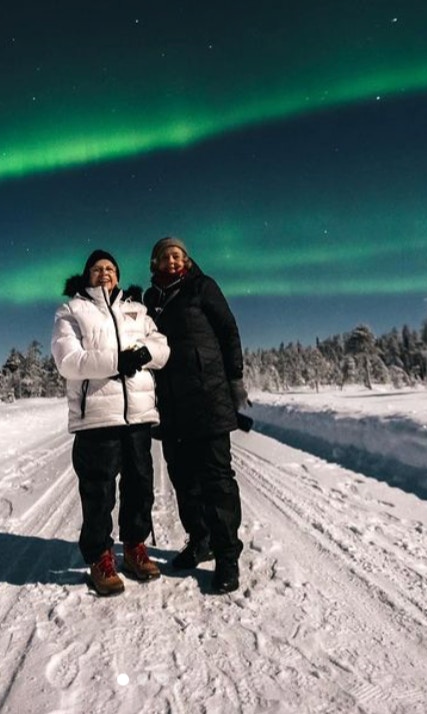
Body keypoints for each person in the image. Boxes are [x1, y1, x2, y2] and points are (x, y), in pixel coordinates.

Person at [51, 249, 170, 596]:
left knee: (139, 485)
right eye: (97, 269)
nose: (104, 273)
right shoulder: (71, 311)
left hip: (138, 414)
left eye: (110, 268)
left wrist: (146, 353)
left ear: (118, 275)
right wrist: (120, 360)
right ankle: (100, 556)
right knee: (98, 492)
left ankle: (134, 547)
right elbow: (69, 361)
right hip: (97, 418)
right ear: (87, 275)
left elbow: (162, 347)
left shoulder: (137, 309)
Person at [142, 236, 249, 594]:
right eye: (165, 256)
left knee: (216, 478)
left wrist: (234, 380)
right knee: (183, 477)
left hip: (208, 397)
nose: (172, 261)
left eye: (178, 255)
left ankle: (227, 555)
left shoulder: (203, 287)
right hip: (171, 404)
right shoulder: (151, 300)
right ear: (155, 263)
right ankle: (199, 540)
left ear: (186, 260)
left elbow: (228, 331)